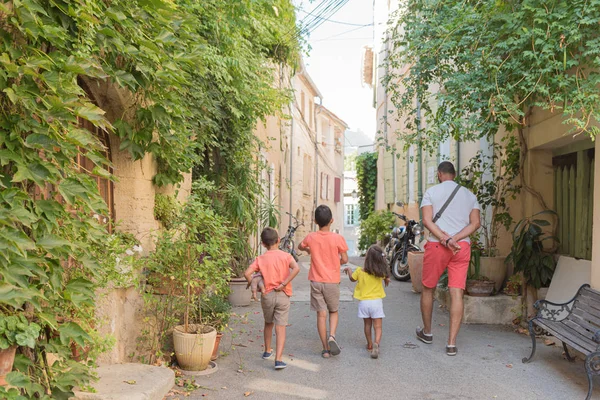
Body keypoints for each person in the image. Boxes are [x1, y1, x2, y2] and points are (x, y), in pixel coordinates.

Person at [417, 161, 481, 356]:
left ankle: (427, 332)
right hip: (461, 247)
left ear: (439, 174)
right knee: (456, 293)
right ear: (454, 174)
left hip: (438, 245)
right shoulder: (470, 195)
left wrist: (444, 238)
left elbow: (427, 220)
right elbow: (475, 223)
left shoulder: (431, 193)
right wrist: (455, 238)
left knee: (428, 289)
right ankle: (451, 343)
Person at [244, 227, 300, 369]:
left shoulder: (260, 259)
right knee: (281, 327)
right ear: (279, 240)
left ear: (263, 244)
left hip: (267, 295)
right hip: (283, 294)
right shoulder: (286, 256)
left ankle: (267, 351)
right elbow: (296, 268)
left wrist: (254, 282)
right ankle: (278, 359)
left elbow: (247, 273)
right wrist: (284, 283)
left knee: (268, 323)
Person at [298, 205, 349, 358]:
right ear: (332, 221)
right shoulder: (337, 238)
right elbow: (345, 259)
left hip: (316, 281)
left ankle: (325, 349)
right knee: (333, 311)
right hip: (332, 281)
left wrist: (308, 250)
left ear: (315, 221)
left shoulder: (311, 237)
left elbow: (300, 246)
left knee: (321, 314)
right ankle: (332, 336)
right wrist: (335, 263)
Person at [343, 245, 390, 359]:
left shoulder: (359, 271)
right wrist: (386, 279)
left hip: (364, 303)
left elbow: (352, 279)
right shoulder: (380, 272)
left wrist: (349, 270)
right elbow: (386, 277)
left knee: (367, 325)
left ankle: (369, 344)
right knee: (378, 327)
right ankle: (376, 343)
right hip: (376, 303)